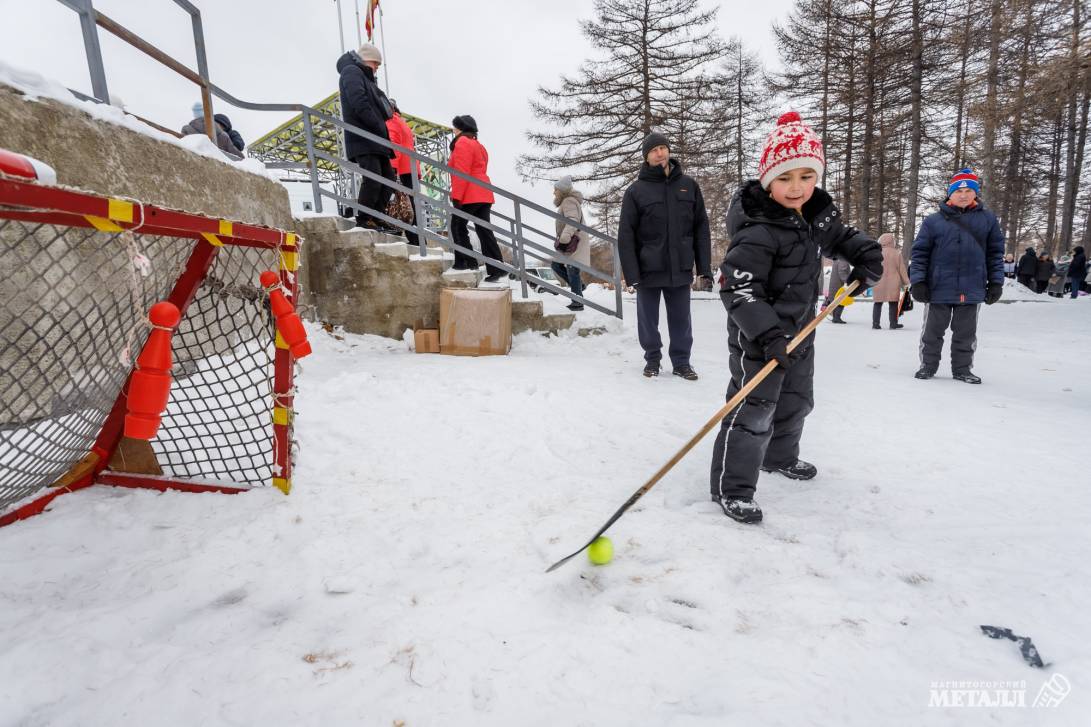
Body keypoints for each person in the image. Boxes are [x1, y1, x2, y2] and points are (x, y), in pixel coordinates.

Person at [710, 111, 883, 524]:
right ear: (768, 179)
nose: (797, 187)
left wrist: (867, 254)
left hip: (802, 331)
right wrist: (767, 333)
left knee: (796, 400)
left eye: (807, 176)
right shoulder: (758, 229)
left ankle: (780, 457)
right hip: (760, 338)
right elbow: (738, 287)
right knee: (754, 409)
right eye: (786, 177)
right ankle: (731, 488)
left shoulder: (812, 217)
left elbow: (841, 237)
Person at [618, 131, 713, 380]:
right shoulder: (636, 191)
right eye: (654, 150)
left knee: (681, 319)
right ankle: (652, 359)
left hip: (680, 267)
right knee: (647, 320)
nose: (660, 152)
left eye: (663, 147)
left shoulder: (688, 186)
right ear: (646, 157)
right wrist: (632, 274)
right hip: (648, 269)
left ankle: (682, 362)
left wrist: (704, 267)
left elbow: (701, 227)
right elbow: (626, 236)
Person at [910, 168, 1004, 384]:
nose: (963, 194)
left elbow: (995, 254)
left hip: (972, 287)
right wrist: (919, 281)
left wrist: (996, 282)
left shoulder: (988, 220)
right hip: (938, 287)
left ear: (975, 194)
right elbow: (920, 253)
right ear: (950, 194)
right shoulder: (933, 221)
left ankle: (962, 369)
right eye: (958, 190)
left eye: (968, 190)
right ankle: (928, 366)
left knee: (966, 333)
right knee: (932, 333)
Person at [336, 43, 397, 232]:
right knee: (373, 178)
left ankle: (376, 216)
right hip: (364, 137)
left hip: (376, 139)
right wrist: (378, 126)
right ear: (366, 59)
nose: (377, 67)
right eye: (375, 63)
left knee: (388, 179)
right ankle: (364, 218)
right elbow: (358, 102)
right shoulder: (351, 72)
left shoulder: (367, 78)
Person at [448, 115, 505, 281]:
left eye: (455, 127)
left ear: (461, 128)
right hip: (484, 193)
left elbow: (461, 172)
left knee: (457, 226)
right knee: (484, 231)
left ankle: (466, 262)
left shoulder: (462, 143)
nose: (453, 130)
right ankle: (497, 268)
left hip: (470, 194)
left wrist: (457, 197)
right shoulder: (478, 145)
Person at [385, 99, 420, 247]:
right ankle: (417, 239)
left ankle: (404, 233)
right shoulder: (401, 121)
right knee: (410, 204)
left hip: (403, 167)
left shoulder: (391, 120)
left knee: (401, 202)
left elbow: (394, 145)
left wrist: (392, 169)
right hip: (410, 167)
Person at [551, 176, 589, 312]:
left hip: (573, 241)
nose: (554, 192)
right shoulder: (567, 201)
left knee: (572, 270)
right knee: (557, 265)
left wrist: (565, 237)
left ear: (561, 190)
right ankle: (579, 287)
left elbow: (572, 219)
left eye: (555, 190)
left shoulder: (568, 201)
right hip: (573, 240)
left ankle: (577, 302)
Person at [871, 233, 909, 329]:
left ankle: (875, 324)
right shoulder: (897, 253)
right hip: (893, 283)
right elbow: (902, 270)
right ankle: (893, 324)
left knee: (877, 303)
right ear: (892, 242)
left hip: (878, 282)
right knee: (893, 303)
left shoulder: (876, 253)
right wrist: (907, 283)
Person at [823, 258, 851, 323]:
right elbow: (842, 272)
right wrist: (848, 281)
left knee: (836, 300)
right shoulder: (843, 259)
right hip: (839, 285)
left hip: (835, 283)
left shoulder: (838, 258)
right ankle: (836, 317)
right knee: (841, 300)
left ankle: (835, 317)